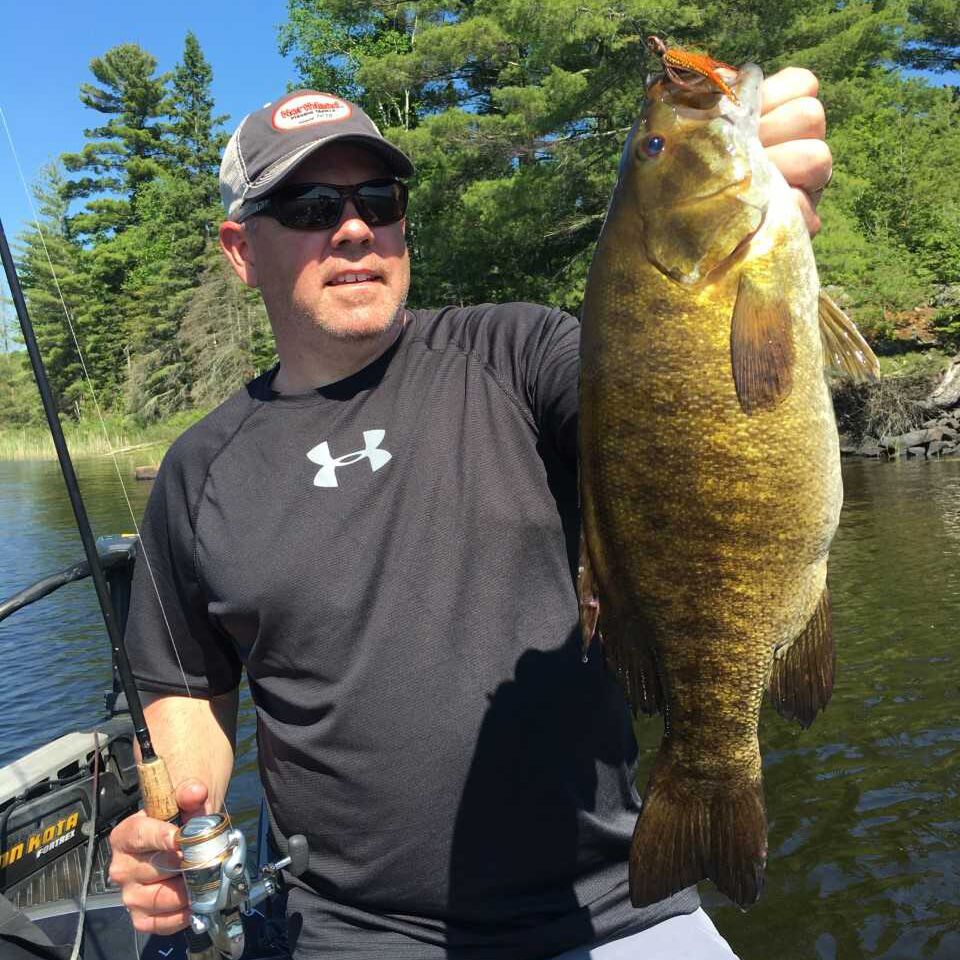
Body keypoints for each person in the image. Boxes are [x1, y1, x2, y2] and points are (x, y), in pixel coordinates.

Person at [109, 75, 834, 959]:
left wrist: (750, 249)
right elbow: (189, 682)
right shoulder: (200, 469)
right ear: (239, 250)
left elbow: (677, 407)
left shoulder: (520, 355)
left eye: (378, 198)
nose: (352, 227)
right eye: (306, 206)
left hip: (612, 905)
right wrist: (181, 826)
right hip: (352, 933)